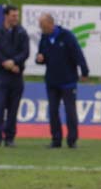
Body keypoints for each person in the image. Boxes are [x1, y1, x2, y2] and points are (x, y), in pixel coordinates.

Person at [35, 13, 89, 149]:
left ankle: (72, 140)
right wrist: (39, 59)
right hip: (52, 81)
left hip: (68, 81)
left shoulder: (67, 36)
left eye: (43, 26)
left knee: (70, 111)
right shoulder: (44, 37)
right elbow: (42, 56)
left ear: (50, 23)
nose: (41, 28)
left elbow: (78, 53)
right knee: (53, 111)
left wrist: (84, 71)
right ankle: (56, 139)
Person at [0, 5, 29, 148]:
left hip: (16, 76)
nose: (15, 18)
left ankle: (10, 138)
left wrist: (14, 62)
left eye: (17, 16)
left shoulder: (22, 32)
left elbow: (25, 52)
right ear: (6, 16)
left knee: (13, 109)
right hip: (1, 75)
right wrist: (6, 63)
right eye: (13, 16)